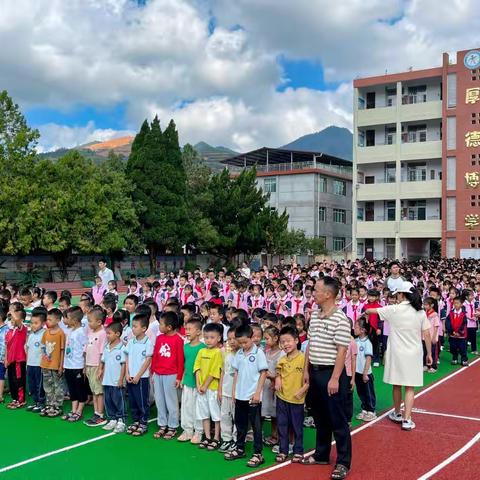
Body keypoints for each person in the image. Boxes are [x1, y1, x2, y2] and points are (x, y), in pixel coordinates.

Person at [301, 276, 351, 480]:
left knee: (338, 421)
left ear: (328, 294)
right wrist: (306, 370)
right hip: (315, 371)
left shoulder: (340, 318)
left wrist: (335, 378)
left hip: (332, 373)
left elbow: (341, 351)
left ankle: (343, 462)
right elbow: (310, 344)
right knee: (320, 417)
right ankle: (321, 454)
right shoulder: (314, 314)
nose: (314, 293)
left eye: (317, 290)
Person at [365, 281, 432, 431]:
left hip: (396, 353)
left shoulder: (393, 309)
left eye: (397, 294)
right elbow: (427, 333)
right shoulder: (420, 312)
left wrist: (366, 312)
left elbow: (371, 311)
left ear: (402, 294)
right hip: (414, 353)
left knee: (397, 384)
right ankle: (407, 420)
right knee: (409, 387)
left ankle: (397, 413)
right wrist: (429, 353)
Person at [224, 324, 268, 469]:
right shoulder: (239, 353)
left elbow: (263, 373)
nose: (243, 345)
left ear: (251, 338)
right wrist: (234, 391)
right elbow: (236, 372)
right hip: (240, 396)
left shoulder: (258, 353)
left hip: (252, 397)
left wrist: (257, 393)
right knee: (240, 423)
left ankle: (258, 453)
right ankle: (240, 448)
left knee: (255, 426)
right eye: (240, 343)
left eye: (245, 342)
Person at [274, 326, 309, 464]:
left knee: (297, 427)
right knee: (282, 425)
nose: (285, 344)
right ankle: (283, 450)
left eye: (288, 341)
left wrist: (301, 392)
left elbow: (308, 381)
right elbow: (278, 372)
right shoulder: (282, 359)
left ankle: (298, 450)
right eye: (282, 342)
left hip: (297, 400)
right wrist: (277, 379)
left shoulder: (303, 358)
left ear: (296, 340)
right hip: (282, 397)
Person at [152, 311, 185, 440]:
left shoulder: (178, 340)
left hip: (171, 374)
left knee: (171, 402)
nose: (159, 326)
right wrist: (153, 371)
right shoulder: (159, 338)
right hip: (158, 373)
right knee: (159, 400)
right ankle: (162, 424)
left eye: (161, 324)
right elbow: (155, 355)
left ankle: (172, 425)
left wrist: (179, 377)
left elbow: (180, 361)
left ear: (169, 327)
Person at [194, 323, 224, 451]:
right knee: (204, 414)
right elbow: (197, 368)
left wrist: (205, 385)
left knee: (215, 414)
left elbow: (214, 371)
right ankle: (207, 437)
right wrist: (199, 384)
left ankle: (216, 437)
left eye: (212, 337)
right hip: (201, 389)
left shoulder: (218, 352)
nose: (208, 340)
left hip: (212, 388)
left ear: (219, 338)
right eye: (206, 337)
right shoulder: (201, 351)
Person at [125, 313, 153, 436]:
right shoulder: (131, 342)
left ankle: (143, 422)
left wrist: (138, 375)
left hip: (141, 378)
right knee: (132, 400)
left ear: (144, 328)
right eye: (132, 326)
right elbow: (127, 358)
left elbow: (148, 361)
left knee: (142, 400)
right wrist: (127, 373)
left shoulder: (148, 342)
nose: (133, 329)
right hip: (130, 377)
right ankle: (136, 420)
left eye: (135, 326)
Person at [178, 317, 204, 444]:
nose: (187, 332)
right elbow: (183, 364)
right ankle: (187, 430)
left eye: (190, 329)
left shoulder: (203, 347)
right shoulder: (185, 347)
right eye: (186, 329)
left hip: (199, 384)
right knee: (187, 406)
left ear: (198, 332)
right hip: (187, 381)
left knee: (198, 408)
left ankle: (198, 432)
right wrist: (182, 378)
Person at [98, 321, 127, 433]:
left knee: (119, 400)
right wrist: (100, 370)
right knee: (108, 400)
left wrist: (121, 379)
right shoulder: (107, 347)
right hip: (107, 380)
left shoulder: (122, 348)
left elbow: (123, 364)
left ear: (117, 334)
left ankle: (121, 420)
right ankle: (112, 419)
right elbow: (103, 360)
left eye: (109, 333)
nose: (107, 335)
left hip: (116, 381)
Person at [62, 306, 89, 422]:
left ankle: (79, 410)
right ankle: (73, 409)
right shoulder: (69, 331)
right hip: (68, 365)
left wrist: (84, 366)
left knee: (79, 388)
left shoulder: (81, 332)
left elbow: (85, 349)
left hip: (78, 365)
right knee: (72, 388)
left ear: (75, 320)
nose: (65, 320)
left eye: (67, 318)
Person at [40, 308, 66, 417]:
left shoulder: (61, 334)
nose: (47, 321)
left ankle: (57, 405)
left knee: (57, 386)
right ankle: (49, 404)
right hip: (45, 364)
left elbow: (62, 350)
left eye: (50, 320)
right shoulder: (46, 332)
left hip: (56, 366)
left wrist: (61, 365)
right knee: (47, 385)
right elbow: (43, 347)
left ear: (58, 320)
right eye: (47, 319)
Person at [84, 308, 107, 427]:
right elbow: (86, 350)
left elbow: (102, 353)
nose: (89, 323)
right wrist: (85, 365)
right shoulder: (90, 332)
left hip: (96, 366)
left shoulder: (103, 333)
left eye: (90, 321)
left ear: (99, 322)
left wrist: (100, 368)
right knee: (93, 390)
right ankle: (96, 412)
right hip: (89, 365)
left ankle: (100, 414)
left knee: (99, 391)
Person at [262, 326, 283, 448]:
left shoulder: (281, 354)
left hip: (275, 385)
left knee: (276, 412)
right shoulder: (267, 352)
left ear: (275, 338)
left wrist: (273, 378)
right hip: (265, 386)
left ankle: (277, 435)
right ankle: (271, 434)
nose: (265, 341)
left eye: (267, 338)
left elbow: (281, 373)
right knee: (266, 409)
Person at [218, 327, 238, 453]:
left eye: (234, 338)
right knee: (225, 415)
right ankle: (226, 438)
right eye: (229, 339)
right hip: (225, 390)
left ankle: (236, 440)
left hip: (236, 393)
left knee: (236, 417)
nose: (231, 341)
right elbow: (223, 372)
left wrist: (235, 392)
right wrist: (220, 389)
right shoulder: (228, 355)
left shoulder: (241, 356)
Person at [354, 318, 377, 422]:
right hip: (357, 372)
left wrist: (365, 373)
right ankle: (364, 408)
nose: (354, 329)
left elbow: (368, 359)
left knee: (368, 392)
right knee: (361, 392)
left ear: (363, 330)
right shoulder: (355, 341)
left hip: (365, 373)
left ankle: (371, 410)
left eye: (356, 327)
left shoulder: (367, 343)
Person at [5, 306, 28, 409]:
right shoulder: (9, 332)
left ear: (21, 320)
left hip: (19, 360)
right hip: (11, 360)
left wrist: (11, 310)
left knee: (19, 380)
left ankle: (21, 400)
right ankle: (15, 399)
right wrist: (6, 359)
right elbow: (7, 347)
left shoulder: (22, 329)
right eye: (11, 318)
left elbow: (18, 321)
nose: (12, 320)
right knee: (12, 381)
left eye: (14, 318)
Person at [445, 296, 468, 367]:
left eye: (457, 303)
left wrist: (459, 332)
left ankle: (464, 359)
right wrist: (452, 331)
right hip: (452, 335)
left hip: (461, 335)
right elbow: (447, 323)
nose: (456, 305)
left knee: (462, 348)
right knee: (453, 347)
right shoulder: (451, 313)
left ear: (461, 304)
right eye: (454, 303)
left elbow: (464, 324)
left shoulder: (463, 314)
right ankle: (454, 358)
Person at [0, 303, 9, 403]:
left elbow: (6, 346)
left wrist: (5, 358)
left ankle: (0, 395)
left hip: (1, 358)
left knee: (1, 375)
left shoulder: (6, 330)